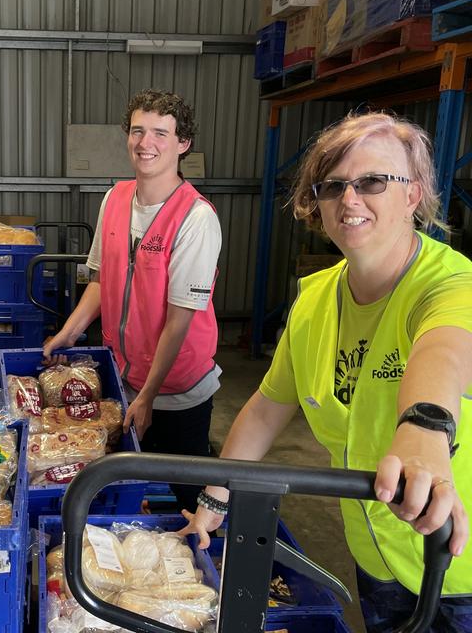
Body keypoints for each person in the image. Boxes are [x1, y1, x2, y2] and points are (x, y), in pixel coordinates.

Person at [181, 111, 472, 632]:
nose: (350, 199)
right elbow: (267, 409)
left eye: (373, 182)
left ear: (414, 194)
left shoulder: (451, 284)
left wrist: (425, 427)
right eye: (333, 186)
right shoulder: (315, 299)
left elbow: (445, 353)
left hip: (456, 569)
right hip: (376, 559)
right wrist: (212, 500)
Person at [43, 89, 222, 513]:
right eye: (138, 131)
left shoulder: (196, 218)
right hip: (127, 377)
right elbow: (102, 281)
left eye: (161, 133)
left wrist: (150, 395)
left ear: (183, 144)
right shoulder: (115, 198)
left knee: (185, 495)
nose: (146, 143)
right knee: (131, 487)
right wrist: (68, 332)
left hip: (177, 389)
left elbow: (180, 319)